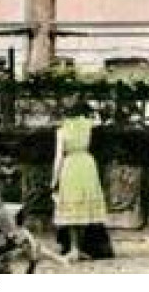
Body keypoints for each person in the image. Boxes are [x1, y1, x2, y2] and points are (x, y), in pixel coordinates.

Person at [51, 100, 108, 262]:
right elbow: (100, 120)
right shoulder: (88, 125)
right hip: (86, 164)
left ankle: (74, 248)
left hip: (70, 165)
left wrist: (54, 179)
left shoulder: (62, 130)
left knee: (72, 208)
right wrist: (93, 111)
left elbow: (58, 157)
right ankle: (79, 248)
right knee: (84, 208)